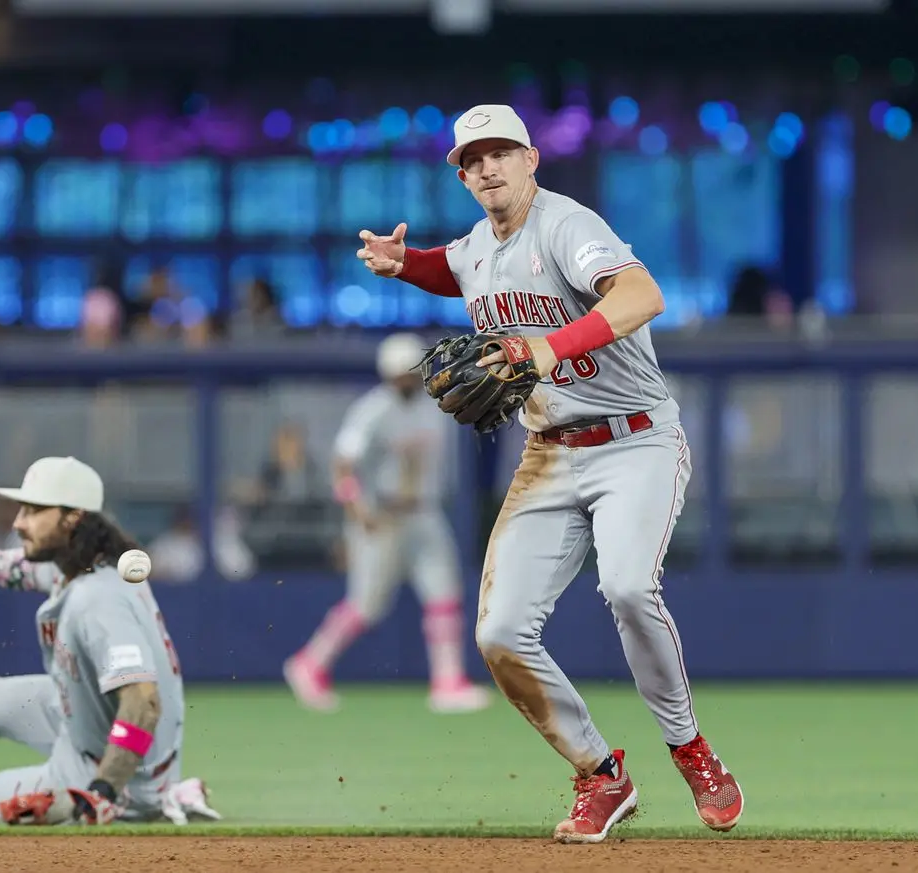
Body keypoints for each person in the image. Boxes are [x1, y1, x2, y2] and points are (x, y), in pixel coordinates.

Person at [355, 105, 743, 843]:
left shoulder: (567, 225)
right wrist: (406, 264)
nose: (488, 167)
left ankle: (691, 747)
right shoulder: (476, 246)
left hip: (635, 442)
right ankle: (602, 775)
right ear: (463, 176)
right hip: (550, 452)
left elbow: (642, 296)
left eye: (502, 152)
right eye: (474, 159)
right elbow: (460, 265)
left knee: (628, 586)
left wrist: (549, 349)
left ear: (532, 159)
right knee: (500, 632)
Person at [0, 456, 221, 826]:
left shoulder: (99, 599)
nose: (18, 522)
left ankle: (153, 801)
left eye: (33, 510)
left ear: (73, 517)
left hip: (118, 770)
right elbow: (21, 568)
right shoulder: (84, 563)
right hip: (86, 716)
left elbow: (143, 702)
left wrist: (103, 790)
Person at [284, 333, 490, 715]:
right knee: (367, 605)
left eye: (411, 371)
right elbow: (343, 463)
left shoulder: (435, 404)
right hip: (382, 515)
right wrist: (356, 509)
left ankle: (447, 682)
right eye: (400, 374)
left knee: (444, 594)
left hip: (424, 511)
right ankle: (309, 664)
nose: (407, 379)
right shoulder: (374, 409)